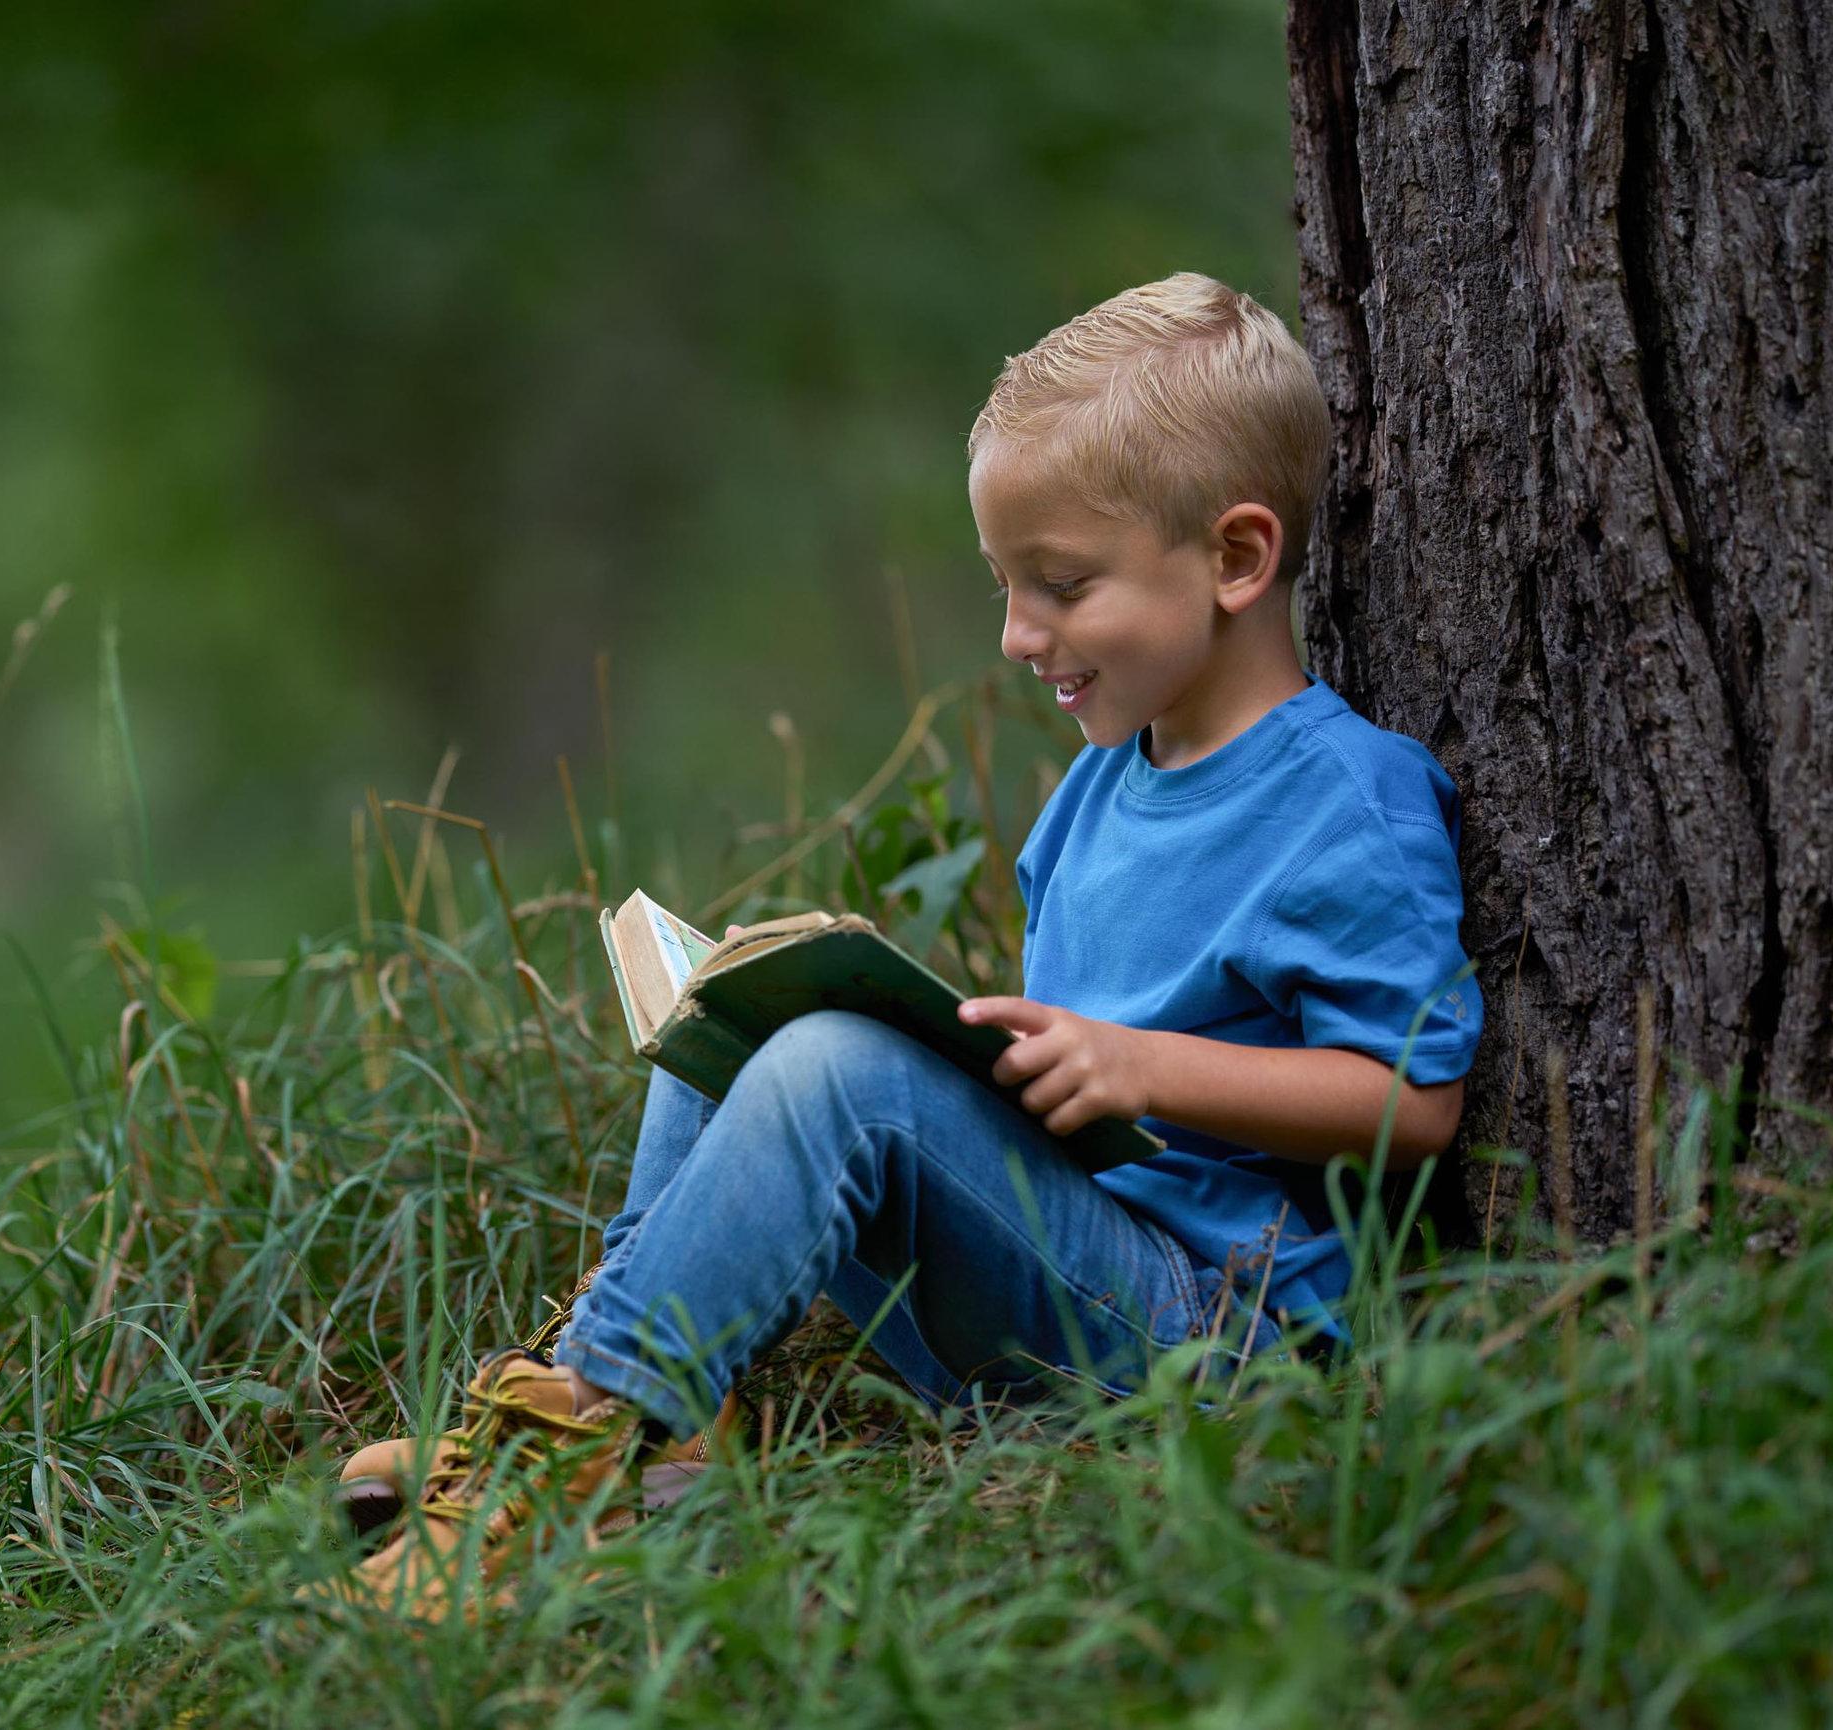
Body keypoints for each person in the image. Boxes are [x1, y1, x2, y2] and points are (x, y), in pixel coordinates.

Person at [331, 272, 1482, 1617]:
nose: (1015, 637)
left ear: (1235, 558)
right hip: (1066, 1281)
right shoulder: (1098, 789)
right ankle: (637, 1407)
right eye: (1004, 585)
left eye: (1062, 586)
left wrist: (1142, 1067)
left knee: (838, 1068)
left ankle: (561, 1460)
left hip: (1218, 1338)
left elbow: (1415, 1100)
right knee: (742, 1018)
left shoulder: (1345, 800)